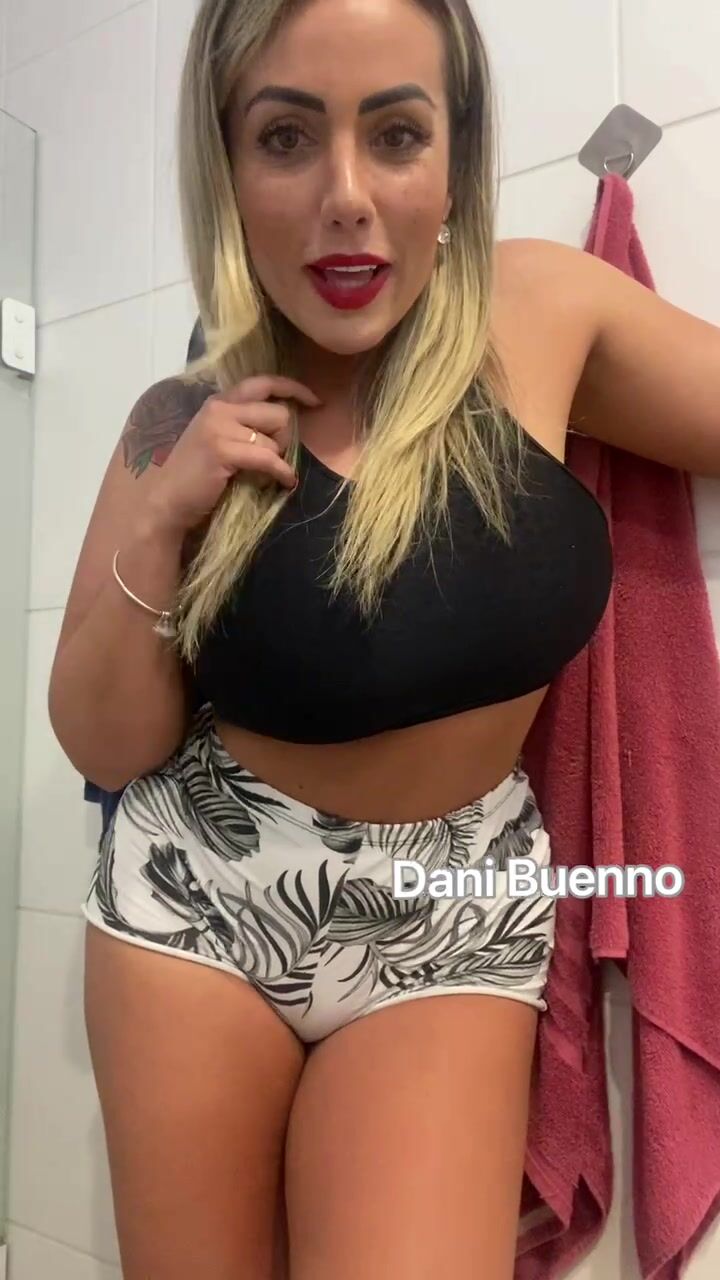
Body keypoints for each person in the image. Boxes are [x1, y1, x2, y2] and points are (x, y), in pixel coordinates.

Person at [47, 1, 720, 1277]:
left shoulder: (540, 306)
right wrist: (165, 518)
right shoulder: (180, 410)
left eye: (397, 134)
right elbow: (104, 739)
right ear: (227, 168)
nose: (346, 197)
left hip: (452, 910)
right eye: (286, 137)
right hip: (200, 901)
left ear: (456, 158)